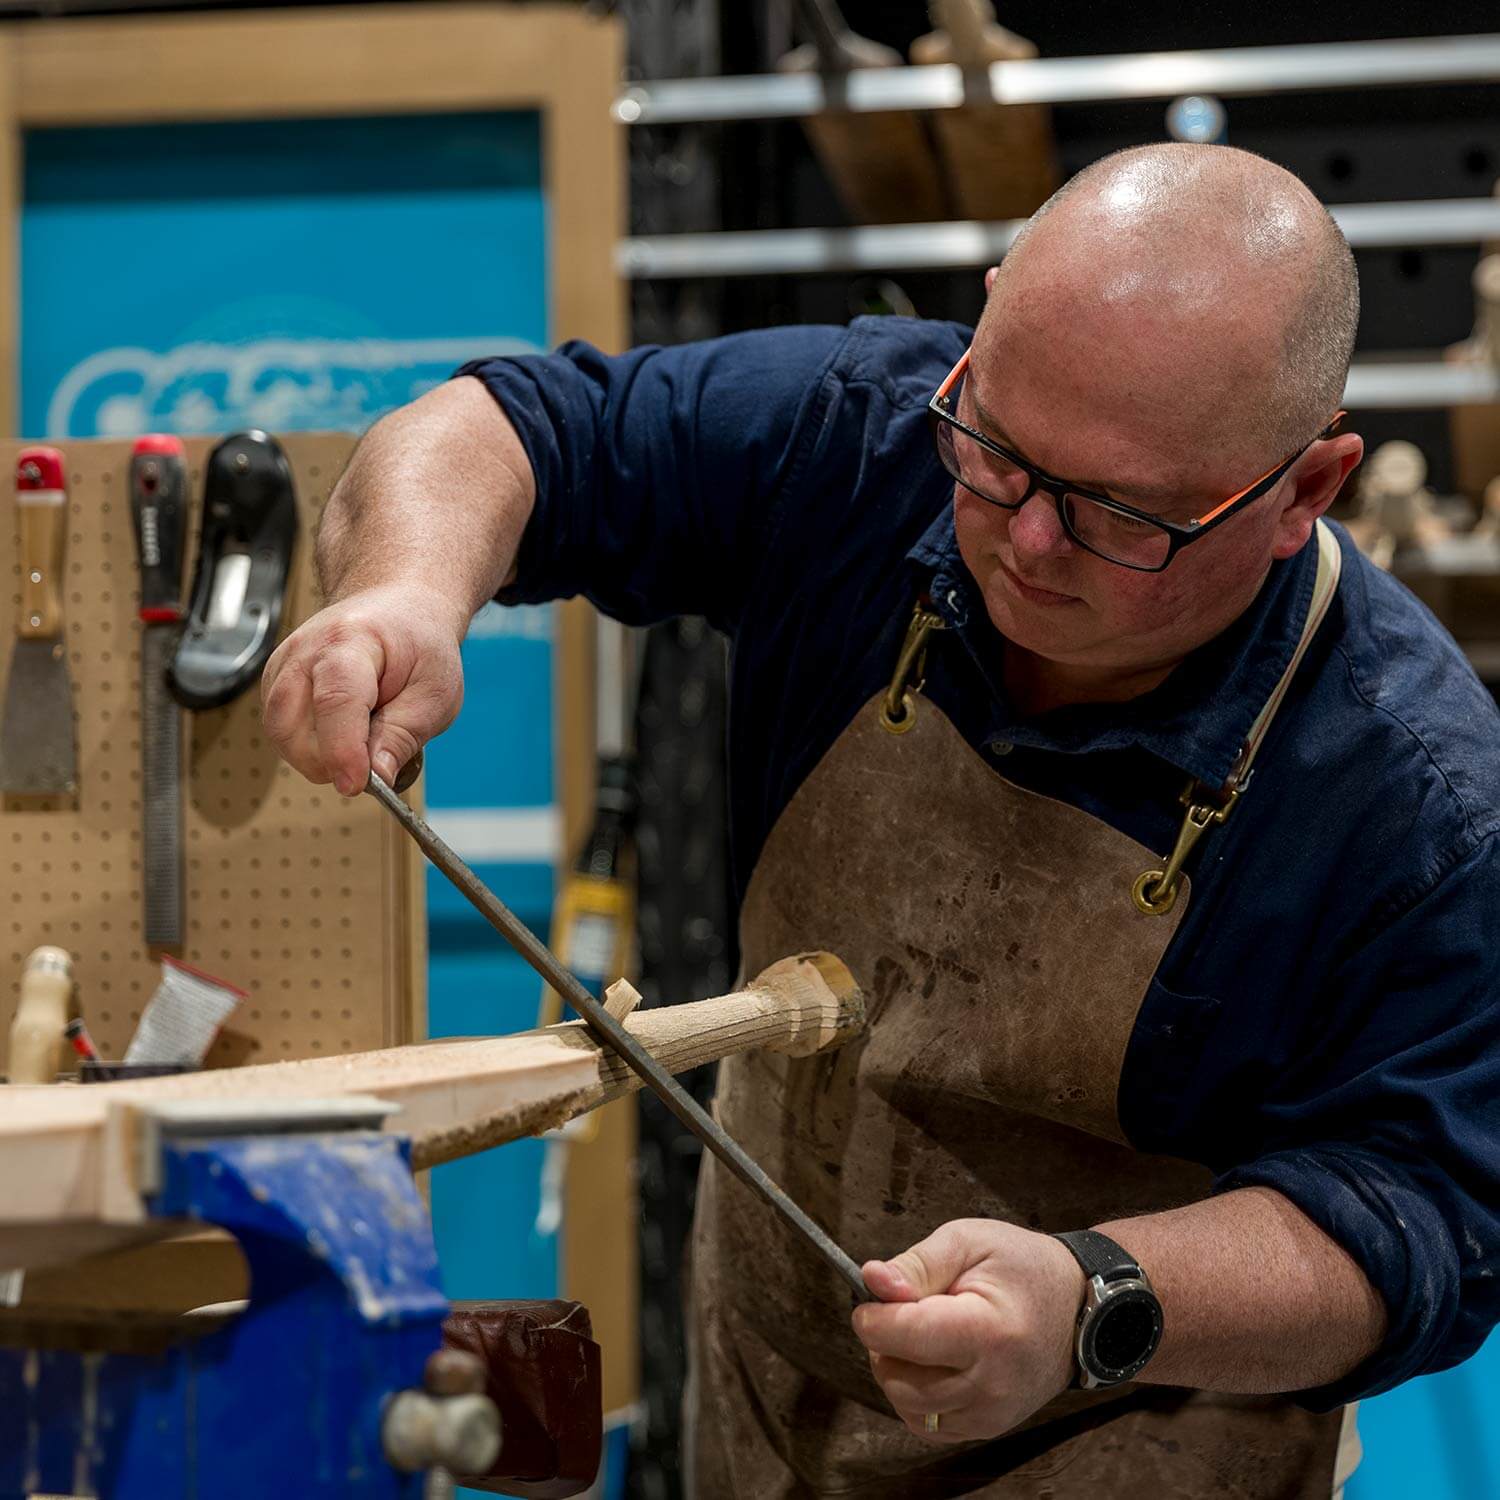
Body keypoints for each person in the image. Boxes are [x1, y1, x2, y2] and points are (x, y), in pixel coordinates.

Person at [262, 144, 1500, 1497]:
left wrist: (1095, 1298)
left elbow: (1420, 1215)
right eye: (1003, 457)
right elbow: (513, 428)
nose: (1025, 543)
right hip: (763, 1418)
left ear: (1303, 491)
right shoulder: (872, 437)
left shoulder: (1418, 803)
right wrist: (400, 596)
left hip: (1127, 1440)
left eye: (1119, 515)